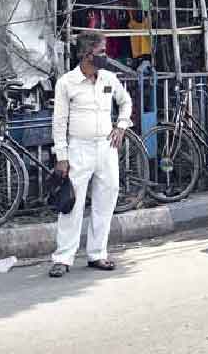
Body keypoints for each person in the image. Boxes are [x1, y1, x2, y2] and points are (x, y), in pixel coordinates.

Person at [49, 32, 133, 278]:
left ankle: (97, 253)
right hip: (79, 149)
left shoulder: (108, 78)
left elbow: (126, 102)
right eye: (101, 52)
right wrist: (62, 157)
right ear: (87, 54)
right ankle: (63, 258)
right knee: (72, 204)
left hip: (106, 147)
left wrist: (121, 126)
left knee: (106, 199)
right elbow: (59, 122)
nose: (106, 56)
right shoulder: (67, 82)